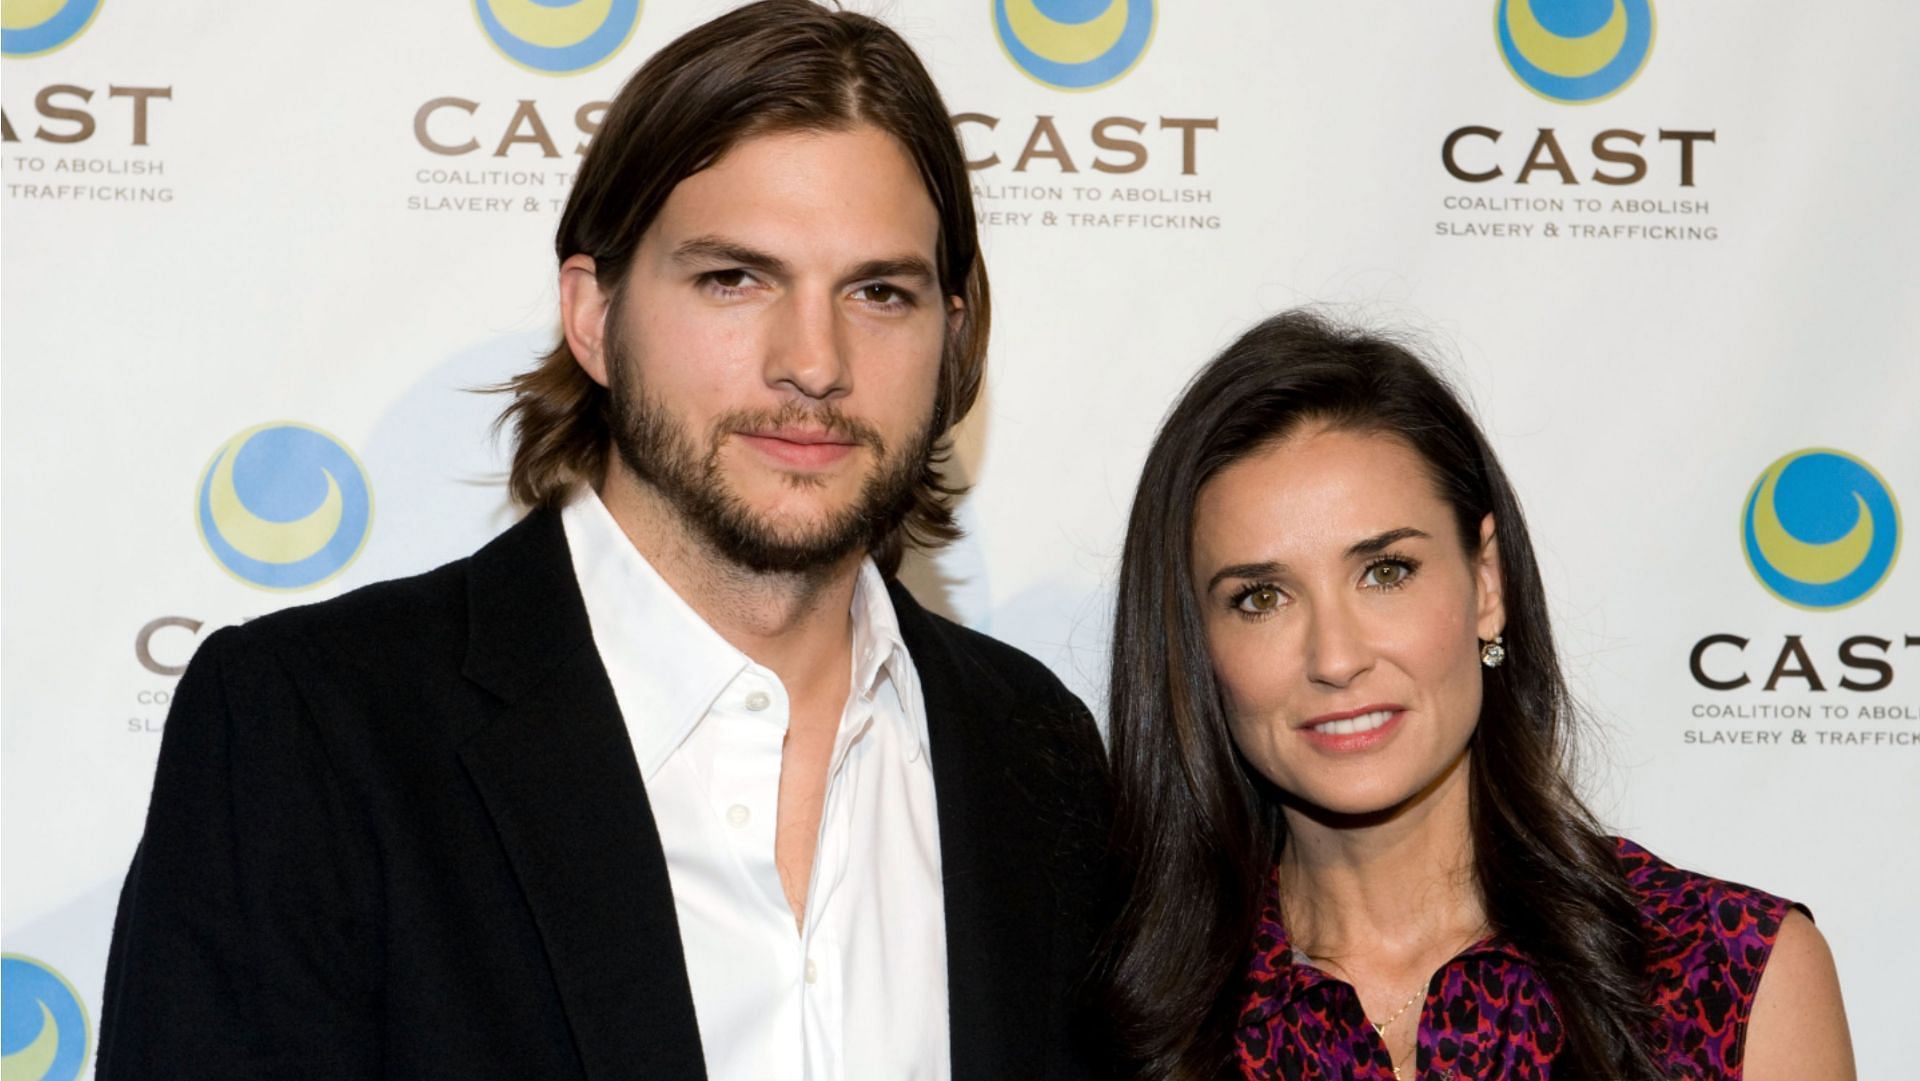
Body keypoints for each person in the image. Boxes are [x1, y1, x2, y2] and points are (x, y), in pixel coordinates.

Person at [98, 4, 1109, 1078]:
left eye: (877, 291)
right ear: (594, 317)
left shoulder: (1035, 755)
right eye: (735, 278)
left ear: (951, 341)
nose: (813, 361)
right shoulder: (315, 730)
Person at [1098, 311, 1853, 1080]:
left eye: (1385, 571)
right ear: (1194, 641)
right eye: (1261, 597)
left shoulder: (1725, 975)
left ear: (1487, 581)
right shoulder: (1122, 1019)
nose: (1335, 656)